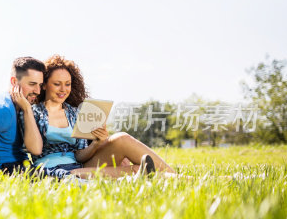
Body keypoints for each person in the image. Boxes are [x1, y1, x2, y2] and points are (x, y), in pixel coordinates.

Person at [12, 54, 176, 180]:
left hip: (78, 166)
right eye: (57, 84)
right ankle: (176, 180)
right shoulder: (32, 112)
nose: (63, 89)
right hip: (52, 171)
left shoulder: (74, 113)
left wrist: (96, 144)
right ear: (45, 84)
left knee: (122, 138)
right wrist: (27, 109)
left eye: (67, 84)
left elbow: (79, 155)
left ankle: (177, 177)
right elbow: (35, 150)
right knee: (134, 171)